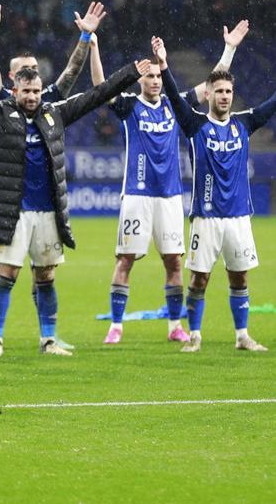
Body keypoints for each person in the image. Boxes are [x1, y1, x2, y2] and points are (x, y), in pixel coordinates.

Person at [0, 36, 150, 357]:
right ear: (16, 91)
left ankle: (49, 339)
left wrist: (130, 73)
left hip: (49, 212)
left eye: (36, 91)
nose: (33, 97)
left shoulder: (55, 114)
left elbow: (96, 95)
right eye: (27, 92)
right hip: (14, 212)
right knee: (7, 273)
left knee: (45, 275)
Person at [0, 0, 108, 351]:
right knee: (0, 270)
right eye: (25, 71)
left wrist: (84, 39)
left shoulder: (47, 100)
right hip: (12, 204)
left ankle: (46, 335)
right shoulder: (3, 102)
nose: (33, 73)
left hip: (44, 206)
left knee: (43, 274)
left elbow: (70, 73)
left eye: (35, 69)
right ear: (13, 79)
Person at [159, 36, 276, 354]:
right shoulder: (195, 125)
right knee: (199, 280)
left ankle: (242, 335)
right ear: (208, 94)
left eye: (228, 91)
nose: (224, 96)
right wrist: (165, 65)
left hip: (238, 217)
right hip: (206, 217)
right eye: (219, 91)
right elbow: (172, 96)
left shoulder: (244, 123)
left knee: (240, 279)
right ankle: (194, 335)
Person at [93, 50, 188, 345]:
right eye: (150, 76)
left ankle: (174, 325)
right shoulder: (130, 106)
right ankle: (116, 326)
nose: (156, 81)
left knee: (173, 262)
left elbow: (209, 86)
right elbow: (101, 87)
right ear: (140, 80)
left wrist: (229, 49)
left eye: (159, 76)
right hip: (137, 193)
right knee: (126, 260)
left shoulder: (175, 105)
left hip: (170, 196)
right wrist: (94, 45)